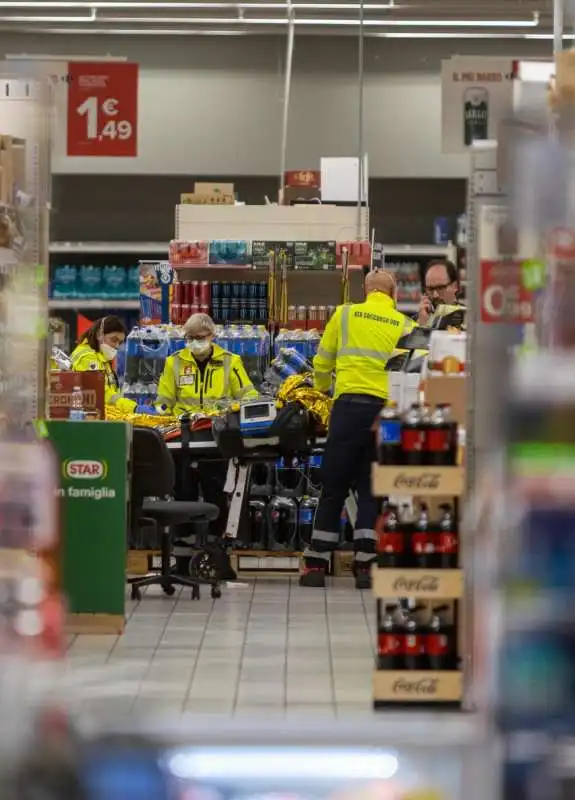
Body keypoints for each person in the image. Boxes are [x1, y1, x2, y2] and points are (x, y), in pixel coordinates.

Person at [300, 270, 416, 591]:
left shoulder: (345, 314)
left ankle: (316, 565)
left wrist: (322, 393)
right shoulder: (405, 325)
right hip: (386, 414)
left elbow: (323, 361)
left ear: (365, 290)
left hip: (348, 406)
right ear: (393, 294)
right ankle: (365, 566)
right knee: (371, 487)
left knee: (334, 484)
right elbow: (413, 374)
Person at [156, 312, 257, 579]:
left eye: (200, 338)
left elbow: (248, 396)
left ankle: (216, 558)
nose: (195, 343)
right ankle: (182, 561)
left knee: (217, 499)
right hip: (183, 441)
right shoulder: (174, 362)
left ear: (212, 337)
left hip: (216, 442)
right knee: (183, 498)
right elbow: (164, 400)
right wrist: (160, 412)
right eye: (190, 338)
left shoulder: (230, 362)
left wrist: (233, 410)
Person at [70, 316, 148, 414]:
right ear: (99, 335)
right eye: (113, 340)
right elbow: (101, 394)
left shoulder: (101, 358)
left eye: (119, 342)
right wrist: (133, 408)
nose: (117, 346)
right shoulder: (87, 358)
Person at [417, 259, 461, 326]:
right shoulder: (418, 320)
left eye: (440, 288)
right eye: (430, 289)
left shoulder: (469, 319)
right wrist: (422, 325)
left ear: (455, 286)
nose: (435, 295)